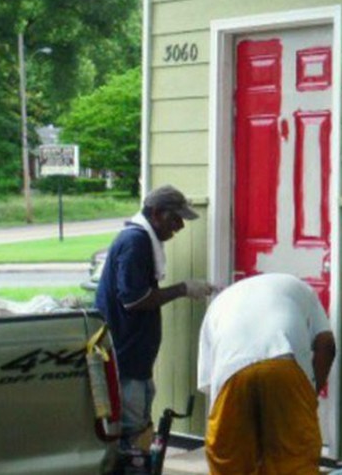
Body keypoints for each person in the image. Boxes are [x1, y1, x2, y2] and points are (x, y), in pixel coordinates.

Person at [94, 184, 213, 474]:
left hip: (136, 357)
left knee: (139, 427)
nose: (180, 226)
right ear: (157, 214)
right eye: (175, 219)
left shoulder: (143, 241)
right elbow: (134, 300)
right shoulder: (135, 242)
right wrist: (183, 288)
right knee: (131, 434)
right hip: (126, 356)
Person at [197, 272, 336, 475]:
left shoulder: (219, 303)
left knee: (229, 463)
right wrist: (309, 395)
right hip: (283, 365)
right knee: (293, 461)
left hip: (231, 373)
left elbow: (211, 384)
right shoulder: (300, 288)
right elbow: (327, 345)